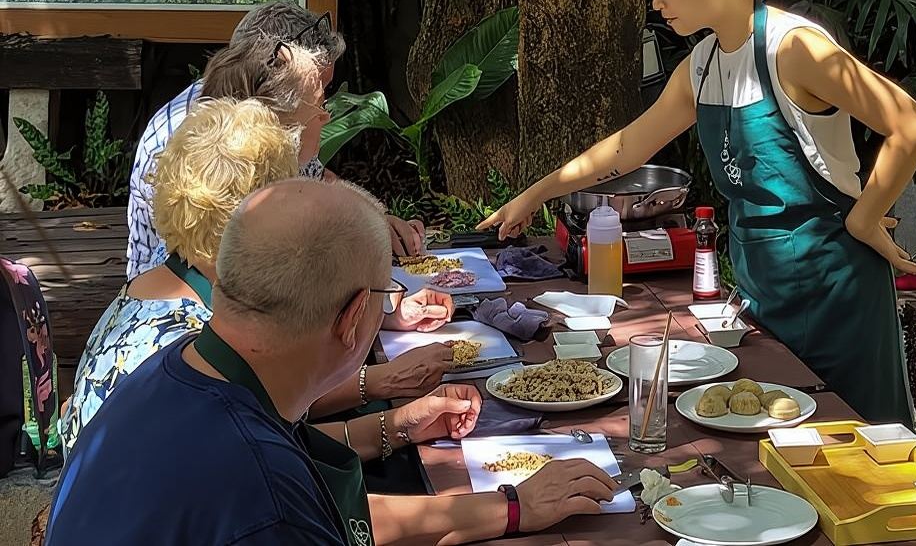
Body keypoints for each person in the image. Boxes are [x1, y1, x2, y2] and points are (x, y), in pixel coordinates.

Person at [481, 0, 916, 424]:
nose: (656, 3)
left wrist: (864, 217)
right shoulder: (701, 65)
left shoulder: (795, 47)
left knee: (859, 451)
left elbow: (912, 124)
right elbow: (627, 149)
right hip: (764, 290)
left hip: (836, 291)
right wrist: (534, 195)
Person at [46, 180, 617, 545]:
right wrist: (515, 505)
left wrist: (402, 430)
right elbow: (283, 502)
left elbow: (326, 498)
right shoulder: (261, 496)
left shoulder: (178, 366)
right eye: (384, 294)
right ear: (350, 322)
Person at [61, 97, 453, 453]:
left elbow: (270, 414)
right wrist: (393, 422)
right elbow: (264, 454)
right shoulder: (193, 347)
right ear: (254, 219)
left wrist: (385, 395)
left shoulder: (165, 285)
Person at [125, 0, 424, 279]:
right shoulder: (201, 146)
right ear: (272, 91)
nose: (327, 113)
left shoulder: (258, 120)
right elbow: (232, 275)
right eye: (319, 93)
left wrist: (375, 219)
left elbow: (316, 177)